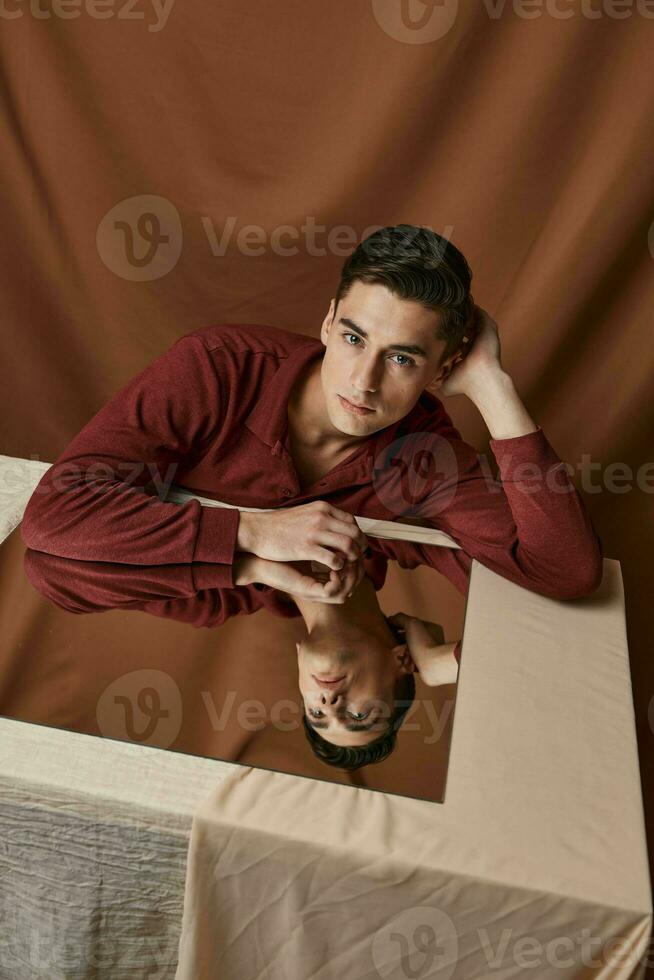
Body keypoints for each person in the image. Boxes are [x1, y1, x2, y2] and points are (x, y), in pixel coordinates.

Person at [20, 224, 603, 607]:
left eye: (402, 358)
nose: (362, 380)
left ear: (443, 369)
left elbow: (566, 573)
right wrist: (253, 535)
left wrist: (493, 388)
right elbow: (54, 519)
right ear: (328, 323)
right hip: (140, 590)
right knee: (47, 567)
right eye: (353, 338)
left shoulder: (423, 456)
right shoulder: (218, 366)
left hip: (252, 606)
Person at [23, 546, 460, 771]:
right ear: (402, 660)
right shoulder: (406, 536)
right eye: (361, 715)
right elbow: (529, 562)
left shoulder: (213, 598)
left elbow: (52, 568)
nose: (330, 707)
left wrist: (249, 563)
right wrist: (441, 662)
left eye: (317, 714)